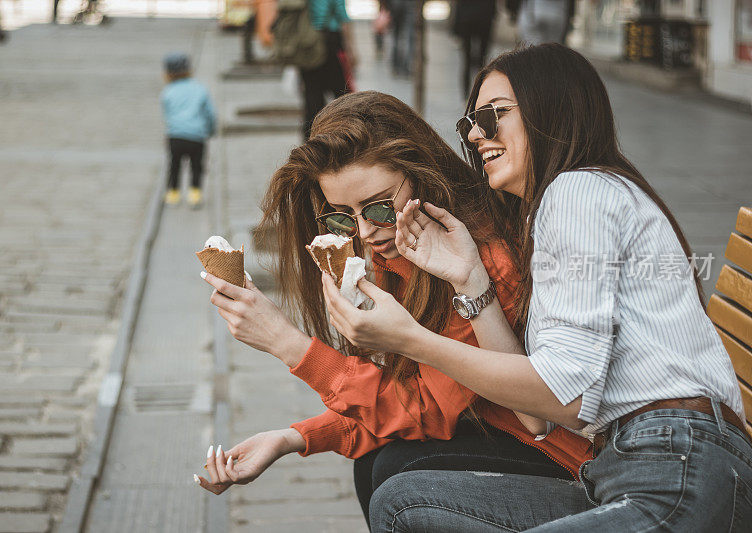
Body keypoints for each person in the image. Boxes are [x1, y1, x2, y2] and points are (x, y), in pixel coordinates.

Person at [317, 45, 752, 531]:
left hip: (676, 467)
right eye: (472, 122)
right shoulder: (561, 207)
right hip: (626, 468)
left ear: (553, 110)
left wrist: (410, 340)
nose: (478, 134)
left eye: (495, 115)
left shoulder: (576, 191)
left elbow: (563, 400)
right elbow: (536, 418)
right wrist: (470, 280)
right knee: (401, 501)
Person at [194, 91, 593, 526]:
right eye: (343, 215)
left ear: (421, 175)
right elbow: (396, 399)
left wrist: (288, 345)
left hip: (559, 453)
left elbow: (421, 410)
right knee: (379, 465)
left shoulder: (476, 257)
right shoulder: (389, 254)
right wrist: (293, 437)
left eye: (380, 205)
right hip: (497, 429)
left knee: (393, 476)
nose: (366, 230)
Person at [160, 53, 216, 207]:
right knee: (197, 165)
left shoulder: (168, 91)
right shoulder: (199, 89)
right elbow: (210, 113)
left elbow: (168, 114)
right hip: (197, 136)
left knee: (174, 165)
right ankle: (195, 194)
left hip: (176, 135)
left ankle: (173, 193)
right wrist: (211, 130)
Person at [299, 0, 357, 141]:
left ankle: (312, 140)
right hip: (329, 42)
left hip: (306, 43)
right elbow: (342, 17)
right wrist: (351, 50)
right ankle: (346, 136)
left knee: (312, 94)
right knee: (342, 95)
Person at [452, 0, 497, 97]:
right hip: (484, 16)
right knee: (481, 60)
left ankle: (467, 95)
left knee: (469, 60)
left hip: (469, 17)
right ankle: (477, 93)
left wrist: (455, 27)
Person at [388, 0, 415, 76]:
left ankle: (396, 66)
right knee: (407, 36)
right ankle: (404, 66)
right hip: (408, 4)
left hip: (396, 4)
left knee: (396, 35)